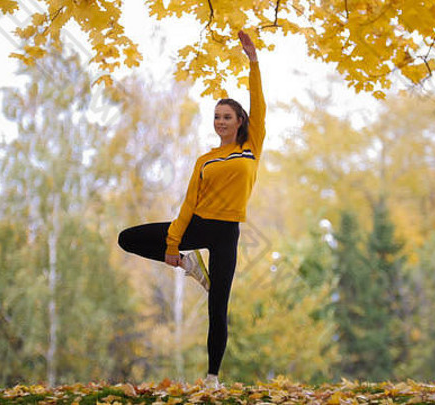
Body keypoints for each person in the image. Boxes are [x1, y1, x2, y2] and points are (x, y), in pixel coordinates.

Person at [117, 30, 265, 388]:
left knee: (219, 307)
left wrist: (253, 61)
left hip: (227, 233)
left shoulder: (251, 146)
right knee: (128, 238)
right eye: (216, 117)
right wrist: (173, 246)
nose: (220, 122)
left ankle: (213, 377)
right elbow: (188, 203)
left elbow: (259, 103)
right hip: (198, 224)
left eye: (227, 117)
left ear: (240, 121)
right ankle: (188, 264)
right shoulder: (205, 159)